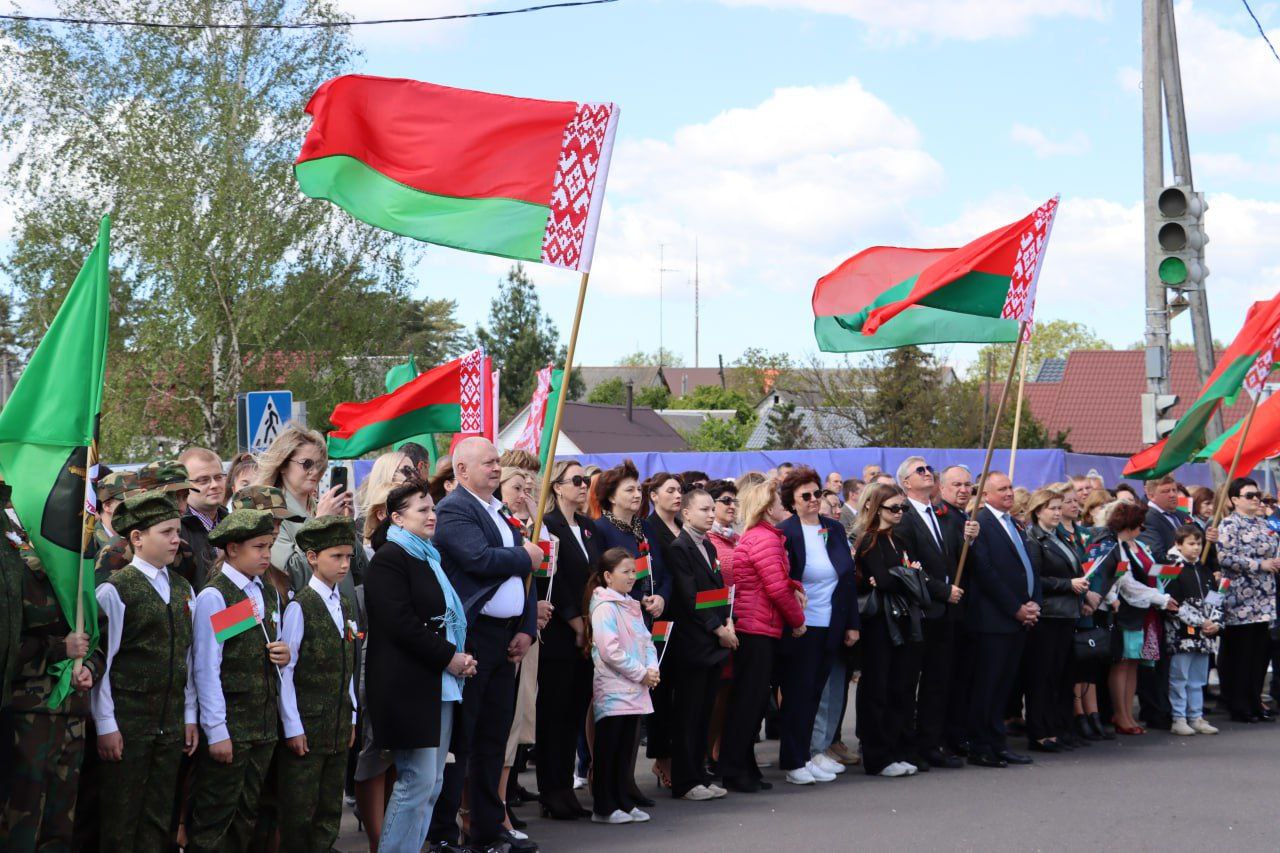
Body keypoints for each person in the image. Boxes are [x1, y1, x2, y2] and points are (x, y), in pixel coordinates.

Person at [426, 437, 540, 853]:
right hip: (471, 637)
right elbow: (480, 560)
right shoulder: (455, 509)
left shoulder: (500, 510)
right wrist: (529, 555)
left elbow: (523, 582)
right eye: (488, 462)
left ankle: (488, 830)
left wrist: (527, 627)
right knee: (463, 739)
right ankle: (443, 834)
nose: (497, 468)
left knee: (494, 736)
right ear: (461, 470)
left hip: (505, 636)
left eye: (497, 462)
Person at [363, 482, 474, 853]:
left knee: (433, 782)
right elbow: (400, 623)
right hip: (407, 686)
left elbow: (444, 617)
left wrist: (457, 656)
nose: (432, 516)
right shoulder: (390, 558)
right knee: (416, 781)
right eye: (422, 510)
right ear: (397, 517)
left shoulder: (427, 555)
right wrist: (449, 656)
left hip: (437, 682)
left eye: (432, 509)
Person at [91, 491, 199, 852]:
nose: (176, 539)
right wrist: (106, 724)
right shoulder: (116, 590)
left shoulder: (184, 589)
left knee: (158, 818)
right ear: (137, 538)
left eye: (177, 531)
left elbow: (188, 659)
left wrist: (189, 715)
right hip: (129, 725)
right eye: (166, 532)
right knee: (121, 821)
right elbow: (104, 663)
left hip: (169, 726)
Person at [0, 499, 103, 850]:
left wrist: (88, 666)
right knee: (22, 821)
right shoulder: (15, 572)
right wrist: (59, 648)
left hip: (72, 714)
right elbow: (7, 650)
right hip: (29, 716)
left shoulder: (78, 576)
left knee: (62, 825)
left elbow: (96, 637)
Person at [188, 509, 292, 853]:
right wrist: (216, 730)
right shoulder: (215, 596)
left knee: (250, 815)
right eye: (259, 547)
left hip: (261, 725)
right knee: (217, 820)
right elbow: (206, 667)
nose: (266, 554)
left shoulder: (264, 591)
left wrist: (283, 654)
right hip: (232, 726)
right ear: (232, 549)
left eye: (270, 545)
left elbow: (263, 643)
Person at [276, 516, 360, 853]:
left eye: (348, 557)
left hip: (338, 723)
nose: (344, 564)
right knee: (300, 811)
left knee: (329, 808)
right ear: (312, 558)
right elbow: (287, 671)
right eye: (336, 556)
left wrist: (352, 716)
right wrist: (293, 727)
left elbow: (349, 665)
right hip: (308, 726)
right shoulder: (301, 606)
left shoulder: (345, 603)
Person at [718, 480, 805, 793]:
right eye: (780, 502)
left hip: (757, 625)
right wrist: (797, 621)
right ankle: (734, 768)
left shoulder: (761, 537)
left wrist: (795, 588)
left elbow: (780, 581)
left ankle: (744, 766)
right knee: (749, 702)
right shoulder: (764, 539)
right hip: (756, 628)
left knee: (752, 702)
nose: (784, 507)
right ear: (768, 508)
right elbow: (776, 588)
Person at [777, 466, 859, 786]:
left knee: (816, 692)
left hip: (831, 622)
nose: (813, 500)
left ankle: (810, 753)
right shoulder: (787, 531)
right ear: (792, 501)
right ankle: (793, 759)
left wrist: (852, 623)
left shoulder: (833, 529)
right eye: (805, 496)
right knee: (798, 693)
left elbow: (847, 580)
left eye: (817, 494)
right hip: (801, 625)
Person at [892, 456, 973, 770]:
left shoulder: (941, 515)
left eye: (929, 469)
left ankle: (931, 742)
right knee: (910, 681)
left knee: (938, 682)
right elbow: (908, 566)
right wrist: (941, 590)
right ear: (907, 482)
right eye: (920, 471)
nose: (928, 474)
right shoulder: (905, 516)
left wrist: (969, 537)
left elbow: (952, 555)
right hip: (921, 610)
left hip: (946, 613)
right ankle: (908, 744)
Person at [536, 460, 601, 821]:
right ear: (557, 487)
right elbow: (553, 579)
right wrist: (575, 620)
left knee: (576, 710)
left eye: (586, 480)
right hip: (561, 632)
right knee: (555, 714)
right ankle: (552, 789)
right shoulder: (547, 527)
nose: (583, 485)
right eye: (576, 480)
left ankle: (565, 789)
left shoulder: (588, 528)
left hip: (588, 631)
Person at [966, 472, 1041, 768]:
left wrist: (1034, 601)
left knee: (1003, 687)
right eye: (1002, 489)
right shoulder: (981, 524)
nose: (1009, 493)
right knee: (987, 686)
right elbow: (986, 573)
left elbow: (1026, 566)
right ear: (986, 495)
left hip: (1018, 618)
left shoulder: (1015, 524)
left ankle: (998, 743)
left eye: (1010, 487)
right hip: (993, 620)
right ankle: (981, 745)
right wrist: (1016, 608)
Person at [854, 483, 929, 777]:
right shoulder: (869, 540)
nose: (899, 513)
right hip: (879, 623)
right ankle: (877, 756)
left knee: (901, 688)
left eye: (903, 508)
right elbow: (884, 580)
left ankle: (897, 750)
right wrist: (907, 576)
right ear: (877, 508)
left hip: (903, 620)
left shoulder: (899, 540)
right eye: (893, 508)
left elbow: (913, 578)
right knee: (878, 689)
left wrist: (904, 576)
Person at [665, 488, 733, 801]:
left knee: (704, 713)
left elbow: (716, 590)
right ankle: (685, 780)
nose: (710, 514)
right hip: (693, 644)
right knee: (688, 715)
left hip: (713, 643)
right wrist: (718, 628)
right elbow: (690, 596)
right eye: (703, 509)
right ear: (687, 513)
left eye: (711, 509)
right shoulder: (680, 547)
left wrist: (727, 620)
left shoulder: (707, 544)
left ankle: (699, 774)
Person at [585, 548, 660, 825]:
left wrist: (652, 669)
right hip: (614, 689)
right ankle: (604, 806)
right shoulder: (604, 606)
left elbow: (646, 640)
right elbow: (610, 651)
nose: (632, 577)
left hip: (635, 687)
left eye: (634, 571)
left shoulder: (630, 604)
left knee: (625, 751)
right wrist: (642, 673)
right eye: (625, 572)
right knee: (608, 749)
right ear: (607, 576)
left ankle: (623, 801)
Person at [1096, 501, 1178, 735]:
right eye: (1140, 525)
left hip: (1144, 610)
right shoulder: (1116, 546)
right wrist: (1159, 598)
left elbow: (1152, 573)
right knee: (1122, 662)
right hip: (1124, 610)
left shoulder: (1139, 545)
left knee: (1133, 664)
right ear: (1130, 524)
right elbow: (1125, 583)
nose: (1142, 529)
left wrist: (1164, 588)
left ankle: (1128, 714)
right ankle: (1120, 714)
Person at [1022, 489, 1086, 753]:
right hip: (1047, 614)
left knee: (1061, 675)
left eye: (1060, 508)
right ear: (1038, 511)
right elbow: (1035, 578)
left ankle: (1059, 728)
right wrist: (1067, 584)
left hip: (1067, 613)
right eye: (1053, 508)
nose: (1058, 513)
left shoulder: (1061, 537)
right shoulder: (1034, 539)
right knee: (1042, 676)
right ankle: (1039, 731)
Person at [256, 424, 355, 593]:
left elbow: (358, 570)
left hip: (342, 609)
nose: (315, 471)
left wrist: (347, 524)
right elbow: (291, 573)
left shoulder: (322, 507)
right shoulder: (270, 511)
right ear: (283, 466)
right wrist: (319, 524)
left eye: (319, 464)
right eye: (306, 464)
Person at [1217, 477, 1279, 724]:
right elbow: (1225, 557)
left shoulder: (1265, 524)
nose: (1255, 500)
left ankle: (1254, 701)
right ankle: (1239, 704)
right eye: (1249, 496)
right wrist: (1258, 564)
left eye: (1257, 495)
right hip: (1240, 600)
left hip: (1264, 599)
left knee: (1259, 655)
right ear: (1234, 500)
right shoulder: (1229, 525)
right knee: (1241, 655)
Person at [640, 471, 683, 790]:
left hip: (685, 616)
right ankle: (661, 758)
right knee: (661, 691)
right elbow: (656, 571)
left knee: (679, 692)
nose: (677, 496)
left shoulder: (682, 525)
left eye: (680, 490)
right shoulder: (650, 528)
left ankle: (680, 755)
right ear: (653, 496)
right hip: (661, 616)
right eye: (670, 490)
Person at [1162, 525, 1220, 736]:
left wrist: (1215, 621)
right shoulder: (1172, 570)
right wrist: (1200, 621)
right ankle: (1179, 717)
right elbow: (1172, 604)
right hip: (1181, 636)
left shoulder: (1204, 570)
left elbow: (1215, 598)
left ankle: (1196, 716)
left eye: (1199, 544)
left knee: (1198, 679)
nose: (1196, 548)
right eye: (1191, 543)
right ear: (1178, 545)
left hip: (1204, 636)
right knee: (1179, 678)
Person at [180, 446, 230, 583]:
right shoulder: (175, 530)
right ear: (184, 485)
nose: (214, 485)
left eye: (218, 477)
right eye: (203, 480)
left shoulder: (234, 523)